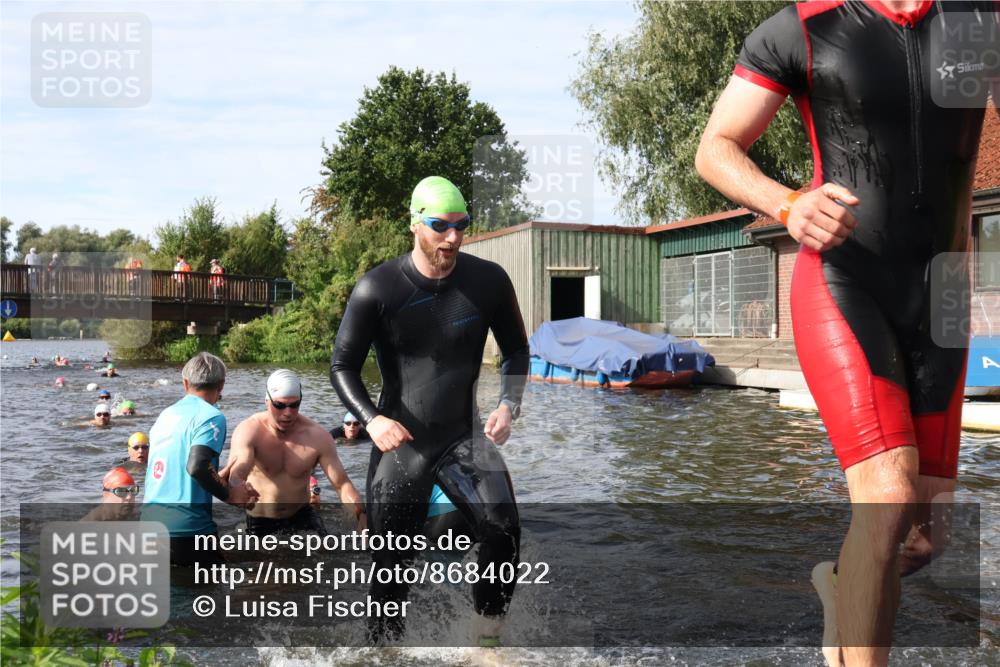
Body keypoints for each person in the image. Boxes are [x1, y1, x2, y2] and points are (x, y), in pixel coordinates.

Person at [695, 3, 999, 665]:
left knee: (920, 538)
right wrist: (788, 204)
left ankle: (843, 591)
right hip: (844, 280)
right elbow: (715, 148)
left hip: (943, 296)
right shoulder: (805, 25)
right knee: (887, 499)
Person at [330, 175, 529, 645]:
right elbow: (342, 366)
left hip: (463, 439)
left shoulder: (488, 282)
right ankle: (384, 653)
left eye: (463, 225)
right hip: (401, 443)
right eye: (441, 226)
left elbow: (518, 352)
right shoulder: (377, 288)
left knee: (503, 530)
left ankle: (487, 642)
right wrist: (372, 419)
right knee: (391, 570)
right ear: (415, 224)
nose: (454, 238)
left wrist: (508, 404)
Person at [141, 352, 258, 566]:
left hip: (149, 526)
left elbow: (176, 473)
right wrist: (230, 494)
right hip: (188, 529)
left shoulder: (165, 415)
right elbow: (197, 467)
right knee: (213, 594)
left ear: (185, 383)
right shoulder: (212, 416)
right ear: (221, 385)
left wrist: (219, 478)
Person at [222, 369, 363, 537]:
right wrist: (236, 485)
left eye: (294, 405)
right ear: (267, 401)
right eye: (280, 405)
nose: (287, 413)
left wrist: (361, 514)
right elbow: (239, 467)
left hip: (303, 514)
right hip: (261, 519)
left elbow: (342, 484)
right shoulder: (249, 431)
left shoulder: (318, 436)